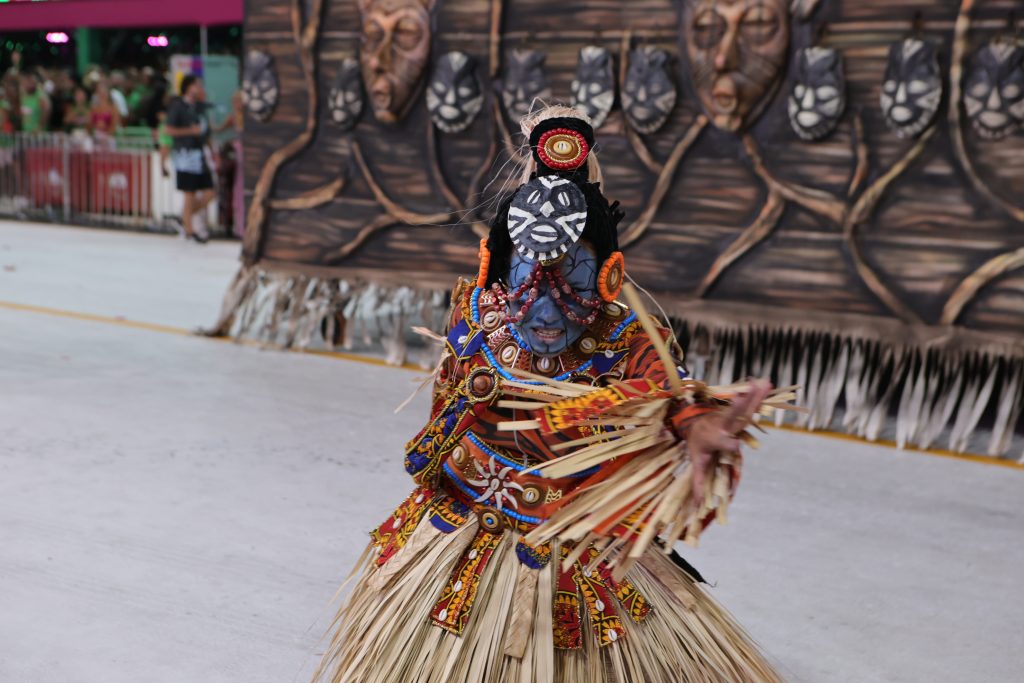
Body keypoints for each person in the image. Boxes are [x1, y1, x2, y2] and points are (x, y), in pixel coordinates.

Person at [311, 106, 785, 683]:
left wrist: (696, 425)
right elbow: (444, 411)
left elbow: (669, 395)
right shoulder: (476, 319)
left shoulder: (626, 340)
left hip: (576, 546)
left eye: (573, 283)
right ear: (496, 270)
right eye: (527, 281)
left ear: (609, 276)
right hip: (463, 530)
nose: (546, 310)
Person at [165, 75, 215, 243]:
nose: (199, 88)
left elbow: (207, 131)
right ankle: (189, 229)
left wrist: (212, 150)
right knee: (189, 193)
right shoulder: (178, 106)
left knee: (210, 192)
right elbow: (169, 130)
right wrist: (190, 132)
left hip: (200, 153)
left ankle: (184, 217)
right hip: (186, 154)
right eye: (196, 85)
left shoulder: (200, 107)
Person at [214, 90, 245, 236]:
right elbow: (218, 129)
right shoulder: (234, 118)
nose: (235, 104)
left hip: (244, 154)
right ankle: (238, 224)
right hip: (238, 154)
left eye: (237, 101)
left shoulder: (247, 118)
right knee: (236, 187)